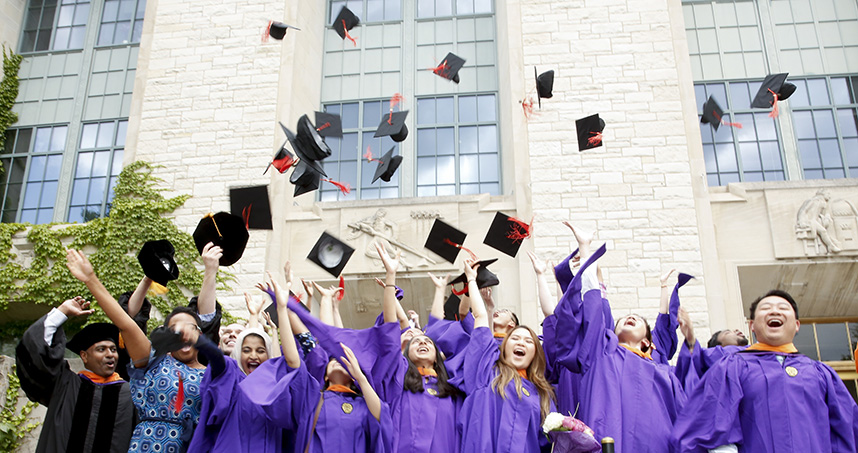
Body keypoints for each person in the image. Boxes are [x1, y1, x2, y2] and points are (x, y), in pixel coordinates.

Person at [66, 248, 220, 452]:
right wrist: (91, 279)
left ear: (200, 336)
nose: (183, 335)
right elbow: (126, 324)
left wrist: (211, 270)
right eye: (175, 330)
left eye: (190, 329)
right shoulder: (153, 362)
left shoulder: (215, 375)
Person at [551, 224, 686, 453]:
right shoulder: (602, 352)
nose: (629, 317)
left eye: (636, 319)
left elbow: (685, 419)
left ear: (647, 342)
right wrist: (586, 250)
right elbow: (594, 309)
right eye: (623, 318)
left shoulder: (666, 375)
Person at [671, 290, 858, 452]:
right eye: (766, 307)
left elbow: (846, 432)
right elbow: (711, 426)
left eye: (783, 308)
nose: (774, 310)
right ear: (751, 325)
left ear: (797, 325)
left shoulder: (822, 374)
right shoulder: (731, 367)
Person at [242, 269, 393, 453]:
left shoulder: (364, 405)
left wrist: (360, 378)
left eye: (344, 361)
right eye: (333, 360)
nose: (338, 360)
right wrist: (282, 309)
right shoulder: (312, 398)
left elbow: (381, 419)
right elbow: (293, 360)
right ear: (326, 375)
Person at [457, 257, 556, 453]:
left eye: (528, 341)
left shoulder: (543, 394)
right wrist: (471, 279)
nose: (521, 342)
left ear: (535, 353)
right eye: (515, 339)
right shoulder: (486, 370)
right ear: (503, 347)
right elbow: (480, 316)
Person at [16, 296, 135, 453]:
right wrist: (62, 311)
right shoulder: (64, 386)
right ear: (84, 356)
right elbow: (35, 352)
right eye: (101, 349)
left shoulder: (130, 393)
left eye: (113, 350)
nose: (110, 354)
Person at [186, 272, 288, 453]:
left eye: (261, 351)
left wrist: (280, 309)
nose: (253, 356)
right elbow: (223, 364)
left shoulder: (276, 390)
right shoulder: (233, 382)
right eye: (246, 351)